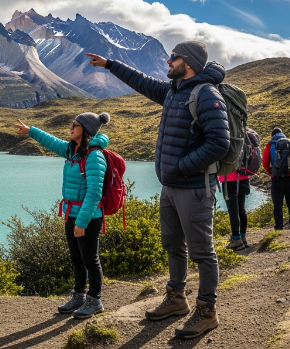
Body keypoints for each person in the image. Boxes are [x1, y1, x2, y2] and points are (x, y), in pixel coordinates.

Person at [87, 41, 230, 340]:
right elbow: (141, 81)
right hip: (171, 187)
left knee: (202, 252)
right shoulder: (173, 90)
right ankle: (176, 298)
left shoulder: (206, 94)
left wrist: (181, 166)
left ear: (187, 62)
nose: (168, 60)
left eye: (174, 57)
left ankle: (207, 311)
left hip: (194, 188)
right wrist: (110, 64)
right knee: (173, 245)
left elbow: (219, 143)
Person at [16, 113, 110, 319]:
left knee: (90, 260)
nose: (70, 127)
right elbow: (51, 141)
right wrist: (30, 130)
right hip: (71, 214)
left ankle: (95, 300)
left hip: (88, 217)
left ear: (85, 129)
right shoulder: (72, 151)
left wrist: (82, 221)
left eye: (75, 125)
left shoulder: (94, 156)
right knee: (77, 259)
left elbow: (94, 192)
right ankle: (79, 296)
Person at [263, 127, 290, 230]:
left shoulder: (271, 144)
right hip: (289, 177)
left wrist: (271, 173)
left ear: (272, 135)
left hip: (277, 178)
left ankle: (279, 226)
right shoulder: (289, 143)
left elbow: (265, 161)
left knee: (277, 204)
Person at [219, 171, 250, 251]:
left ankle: (236, 240)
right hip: (244, 177)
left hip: (228, 179)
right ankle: (243, 238)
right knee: (241, 209)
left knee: (233, 211)